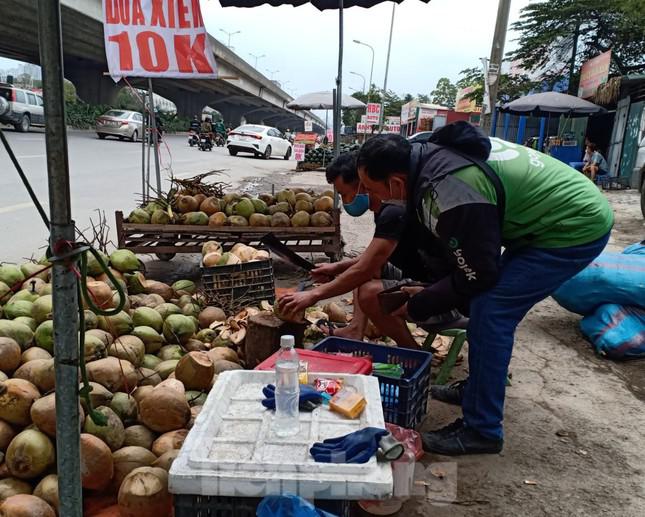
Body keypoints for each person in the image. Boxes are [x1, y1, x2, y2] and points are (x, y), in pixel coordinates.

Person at [356, 122, 613, 455]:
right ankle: (476, 389)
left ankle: (482, 430)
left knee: (492, 310)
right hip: (543, 220)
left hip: (574, 224)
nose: (371, 200)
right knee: (483, 303)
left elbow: (478, 275)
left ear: (394, 182)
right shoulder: (426, 161)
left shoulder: (451, 189)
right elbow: (466, 260)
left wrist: (421, 304)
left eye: (370, 189)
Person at [278, 152, 458, 348]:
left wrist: (313, 294)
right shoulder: (384, 209)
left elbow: (366, 265)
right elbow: (374, 258)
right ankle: (354, 330)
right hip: (426, 276)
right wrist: (336, 268)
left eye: (345, 194)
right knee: (369, 271)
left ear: (363, 184)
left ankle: (412, 351)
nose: (344, 201)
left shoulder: (393, 210)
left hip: (445, 294)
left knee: (369, 293)